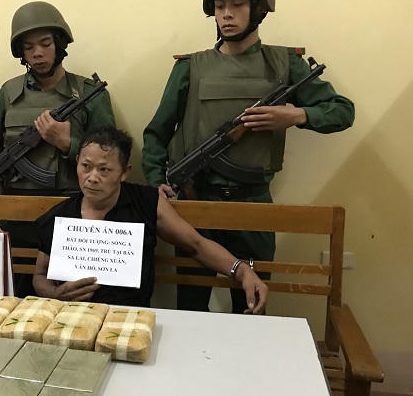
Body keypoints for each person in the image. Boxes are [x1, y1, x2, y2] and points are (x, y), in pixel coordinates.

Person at [141, 0, 354, 313]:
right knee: (191, 306)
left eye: (237, 4)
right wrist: (156, 181)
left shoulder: (286, 64)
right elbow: (156, 134)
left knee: (252, 307)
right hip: (197, 204)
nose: (226, 14)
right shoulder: (189, 67)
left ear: (258, 9)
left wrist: (296, 115)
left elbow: (342, 111)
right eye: (219, 5)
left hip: (253, 209)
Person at [0, 1, 115, 297]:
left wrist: (68, 143)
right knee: (17, 301)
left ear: (59, 44)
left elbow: (111, 155)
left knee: (72, 302)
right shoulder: (9, 93)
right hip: (17, 217)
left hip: (72, 218)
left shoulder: (88, 94)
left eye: (46, 44)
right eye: (28, 47)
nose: (37, 53)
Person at [33, 129, 268, 312]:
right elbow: (40, 276)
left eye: (104, 170)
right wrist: (55, 294)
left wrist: (241, 270)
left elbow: (196, 244)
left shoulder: (146, 202)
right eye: (86, 166)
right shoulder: (60, 215)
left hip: (130, 318)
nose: (92, 178)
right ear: (77, 162)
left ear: (124, 172)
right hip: (73, 316)